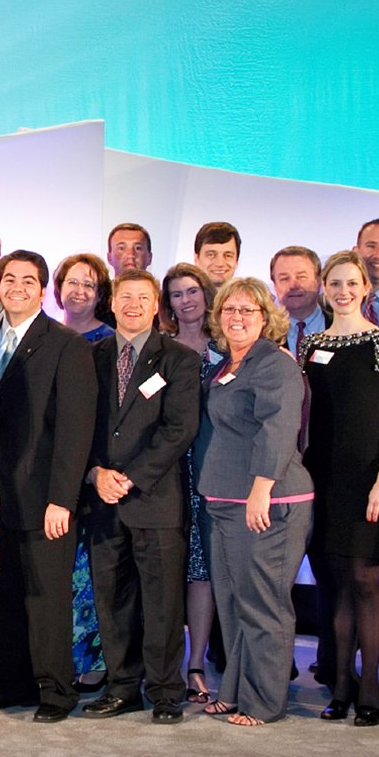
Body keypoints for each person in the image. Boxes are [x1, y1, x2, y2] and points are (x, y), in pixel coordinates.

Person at [0, 250, 97, 723]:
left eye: (29, 281)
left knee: (46, 597)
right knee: (1, 595)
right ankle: (13, 684)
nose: (18, 287)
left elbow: (75, 430)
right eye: (10, 279)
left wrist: (61, 499)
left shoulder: (66, 344)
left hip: (45, 496)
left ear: (43, 289)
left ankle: (56, 691)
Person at [82, 270, 202, 724]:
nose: (133, 304)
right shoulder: (89, 358)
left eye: (143, 297)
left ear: (157, 306)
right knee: (112, 603)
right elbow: (76, 427)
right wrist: (95, 473)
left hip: (153, 499)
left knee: (163, 604)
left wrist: (128, 477)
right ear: (112, 303)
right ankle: (122, 688)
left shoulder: (179, 360)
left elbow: (179, 430)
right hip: (101, 500)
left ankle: (167, 691)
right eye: (125, 296)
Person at [298, 251, 379, 726]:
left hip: (367, 478)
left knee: (365, 580)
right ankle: (340, 682)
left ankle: (370, 685)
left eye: (351, 283)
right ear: (325, 287)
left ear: (366, 287)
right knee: (336, 583)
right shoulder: (313, 343)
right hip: (321, 478)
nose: (343, 291)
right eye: (335, 283)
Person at [197, 277, 312, 726]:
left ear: (267, 318)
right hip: (224, 499)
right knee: (233, 602)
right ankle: (235, 690)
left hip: (266, 502)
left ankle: (264, 703)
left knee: (264, 605)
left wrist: (261, 489)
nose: (238, 318)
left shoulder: (274, 363)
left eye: (248, 311)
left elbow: (278, 429)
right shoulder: (228, 364)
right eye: (230, 310)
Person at [160, 263, 224, 701]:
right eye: (177, 294)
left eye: (192, 291)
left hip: (211, 469)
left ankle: (196, 662)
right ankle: (161, 663)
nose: (186, 300)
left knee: (202, 569)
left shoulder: (227, 346)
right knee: (164, 569)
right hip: (164, 469)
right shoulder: (159, 348)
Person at [52, 253, 114, 692]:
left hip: (95, 466)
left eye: (89, 285)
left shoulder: (110, 342)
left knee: (89, 570)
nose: (79, 292)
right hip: (50, 467)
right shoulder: (45, 335)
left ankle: (92, 658)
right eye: (72, 283)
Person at [270, 246, 326, 356]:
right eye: (284, 279)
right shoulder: (264, 334)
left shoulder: (343, 327)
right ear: (275, 285)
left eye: (301, 277)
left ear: (318, 281)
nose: (293, 285)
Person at [193, 222, 241, 286]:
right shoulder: (181, 294)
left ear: (236, 261)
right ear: (196, 259)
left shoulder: (252, 295)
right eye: (211, 255)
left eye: (228, 255)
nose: (220, 264)